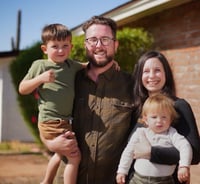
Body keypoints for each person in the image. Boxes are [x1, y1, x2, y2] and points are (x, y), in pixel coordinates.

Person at [18, 23, 82, 184]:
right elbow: (22, 88)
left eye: (65, 46)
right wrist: (40, 78)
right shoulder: (40, 65)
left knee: (60, 153)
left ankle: (46, 182)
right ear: (45, 49)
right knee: (74, 156)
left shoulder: (70, 65)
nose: (60, 50)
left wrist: (109, 66)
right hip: (51, 121)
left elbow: (88, 67)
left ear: (71, 47)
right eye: (55, 46)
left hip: (64, 121)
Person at [130, 50, 200, 184]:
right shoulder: (137, 107)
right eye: (146, 71)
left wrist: (151, 153)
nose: (151, 76)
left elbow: (195, 155)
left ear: (166, 74)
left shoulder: (179, 106)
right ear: (140, 75)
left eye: (157, 70)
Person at [116, 94, 193, 184]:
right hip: (138, 180)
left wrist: (184, 166)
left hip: (165, 181)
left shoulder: (172, 134)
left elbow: (185, 147)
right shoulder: (140, 133)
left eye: (164, 117)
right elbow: (128, 152)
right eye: (154, 117)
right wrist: (122, 171)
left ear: (171, 119)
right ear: (145, 119)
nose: (159, 121)